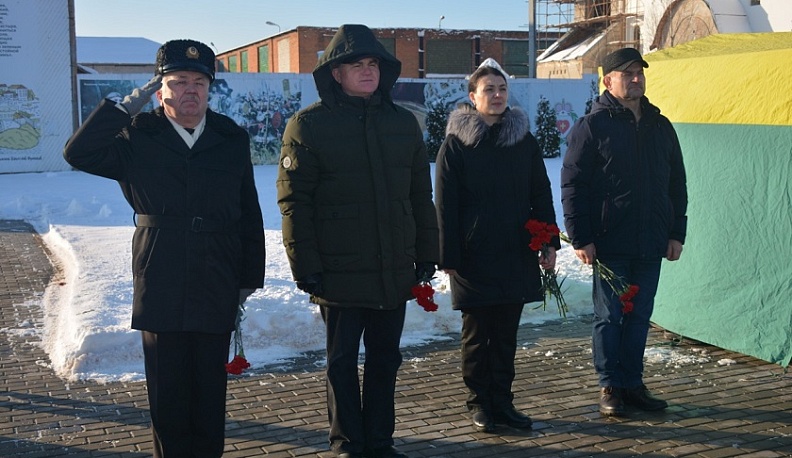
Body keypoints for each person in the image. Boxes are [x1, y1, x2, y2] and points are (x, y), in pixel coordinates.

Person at [63, 39, 266, 457]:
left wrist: (248, 277)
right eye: (178, 82)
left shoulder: (230, 137)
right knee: (167, 390)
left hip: (217, 271)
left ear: (210, 89)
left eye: (199, 82)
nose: (190, 90)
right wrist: (123, 108)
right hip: (161, 270)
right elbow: (77, 152)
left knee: (210, 389)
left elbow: (248, 208)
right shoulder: (137, 135)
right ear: (160, 90)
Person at [276, 24, 438, 458]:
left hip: (393, 267)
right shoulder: (307, 127)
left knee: (386, 361)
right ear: (335, 73)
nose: (366, 72)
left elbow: (421, 196)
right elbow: (295, 203)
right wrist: (305, 265)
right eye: (355, 65)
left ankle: (380, 442)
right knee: (342, 362)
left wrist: (426, 255)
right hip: (338, 270)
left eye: (373, 64)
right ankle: (347, 441)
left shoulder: (404, 124)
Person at [434, 58, 559, 433]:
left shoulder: (523, 141)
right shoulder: (455, 146)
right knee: (478, 335)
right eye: (489, 89)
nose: (498, 95)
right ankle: (479, 404)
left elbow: (541, 191)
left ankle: (503, 402)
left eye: (502, 89)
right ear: (473, 97)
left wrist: (548, 241)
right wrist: (449, 254)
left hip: (515, 252)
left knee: (506, 335)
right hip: (474, 257)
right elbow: (445, 204)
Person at [560, 47, 688, 417]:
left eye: (639, 73)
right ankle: (610, 385)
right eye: (627, 73)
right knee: (610, 316)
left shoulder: (659, 125)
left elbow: (676, 183)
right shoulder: (592, 126)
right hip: (610, 241)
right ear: (608, 81)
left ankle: (633, 383)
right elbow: (572, 184)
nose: (636, 79)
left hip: (651, 241)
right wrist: (581, 237)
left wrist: (676, 232)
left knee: (639, 315)